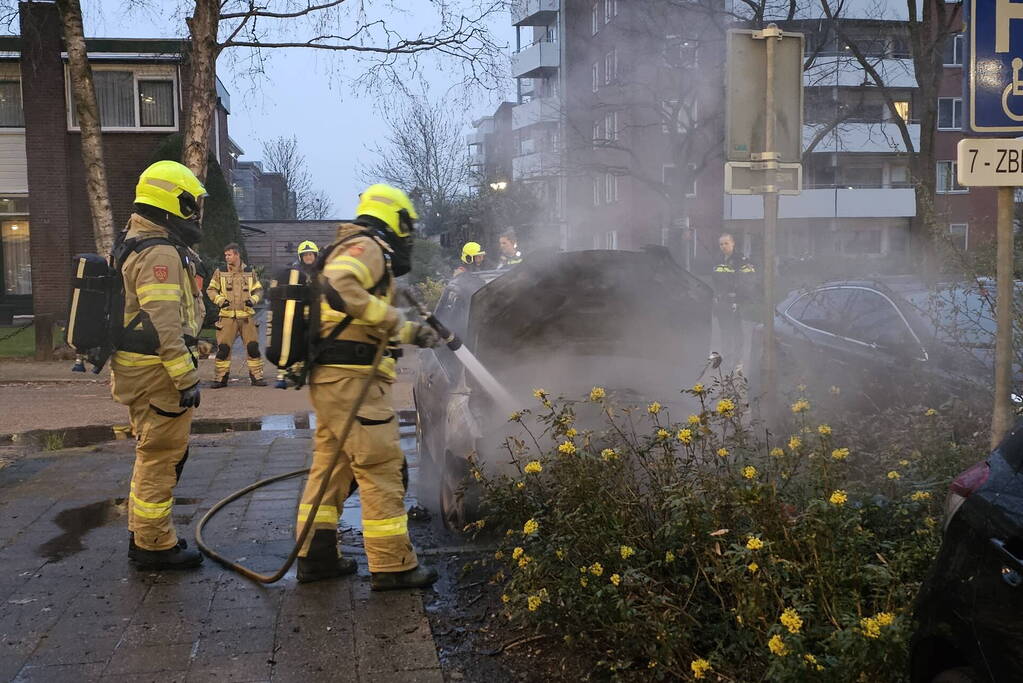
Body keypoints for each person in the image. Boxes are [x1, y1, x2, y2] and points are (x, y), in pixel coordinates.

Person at [295, 183, 440, 589]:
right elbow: (342, 285)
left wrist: (407, 331)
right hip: (353, 379)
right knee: (381, 467)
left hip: (337, 378)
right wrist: (399, 323)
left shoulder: (355, 245)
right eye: (407, 226)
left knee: (333, 467)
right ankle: (393, 566)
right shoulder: (368, 246)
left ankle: (316, 555)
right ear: (395, 219)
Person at [112, 160, 206, 570]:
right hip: (157, 371)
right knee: (162, 454)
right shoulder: (159, 252)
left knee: (151, 451)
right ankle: (153, 545)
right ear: (174, 202)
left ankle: (144, 533)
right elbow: (164, 321)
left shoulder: (136, 242)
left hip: (140, 366)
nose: (196, 214)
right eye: (192, 204)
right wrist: (186, 376)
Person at [206, 243, 266, 387]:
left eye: (229, 255)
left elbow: (259, 291)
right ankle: (221, 378)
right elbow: (211, 290)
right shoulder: (220, 271)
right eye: (225, 255)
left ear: (237, 255)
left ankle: (257, 377)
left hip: (246, 317)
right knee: (223, 349)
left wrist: (253, 300)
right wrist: (220, 301)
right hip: (227, 317)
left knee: (252, 347)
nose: (227, 257)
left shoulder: (250, 272)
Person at [275, 240, 320, 388]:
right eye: (305, 255)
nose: (308, 257)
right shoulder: (293, 272)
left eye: (311, 254)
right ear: (300, 256)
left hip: (315, 314)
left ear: (315, 255)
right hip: (296, 313)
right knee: (289, 343)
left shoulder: (320, 271)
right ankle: (282, 375)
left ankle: (306, 372)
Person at [712, 232, 756, 369]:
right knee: (725, 332)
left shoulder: (741, 260)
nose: (723, 246)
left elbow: (748, 282)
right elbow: (716, 281)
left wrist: (738, 299)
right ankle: (726, 360)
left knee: (737, 332)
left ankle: (737, 361)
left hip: (736, 302)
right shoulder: (718, 259)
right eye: (721, 244)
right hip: (722, 302)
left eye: (726, 243)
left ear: (733, 243)